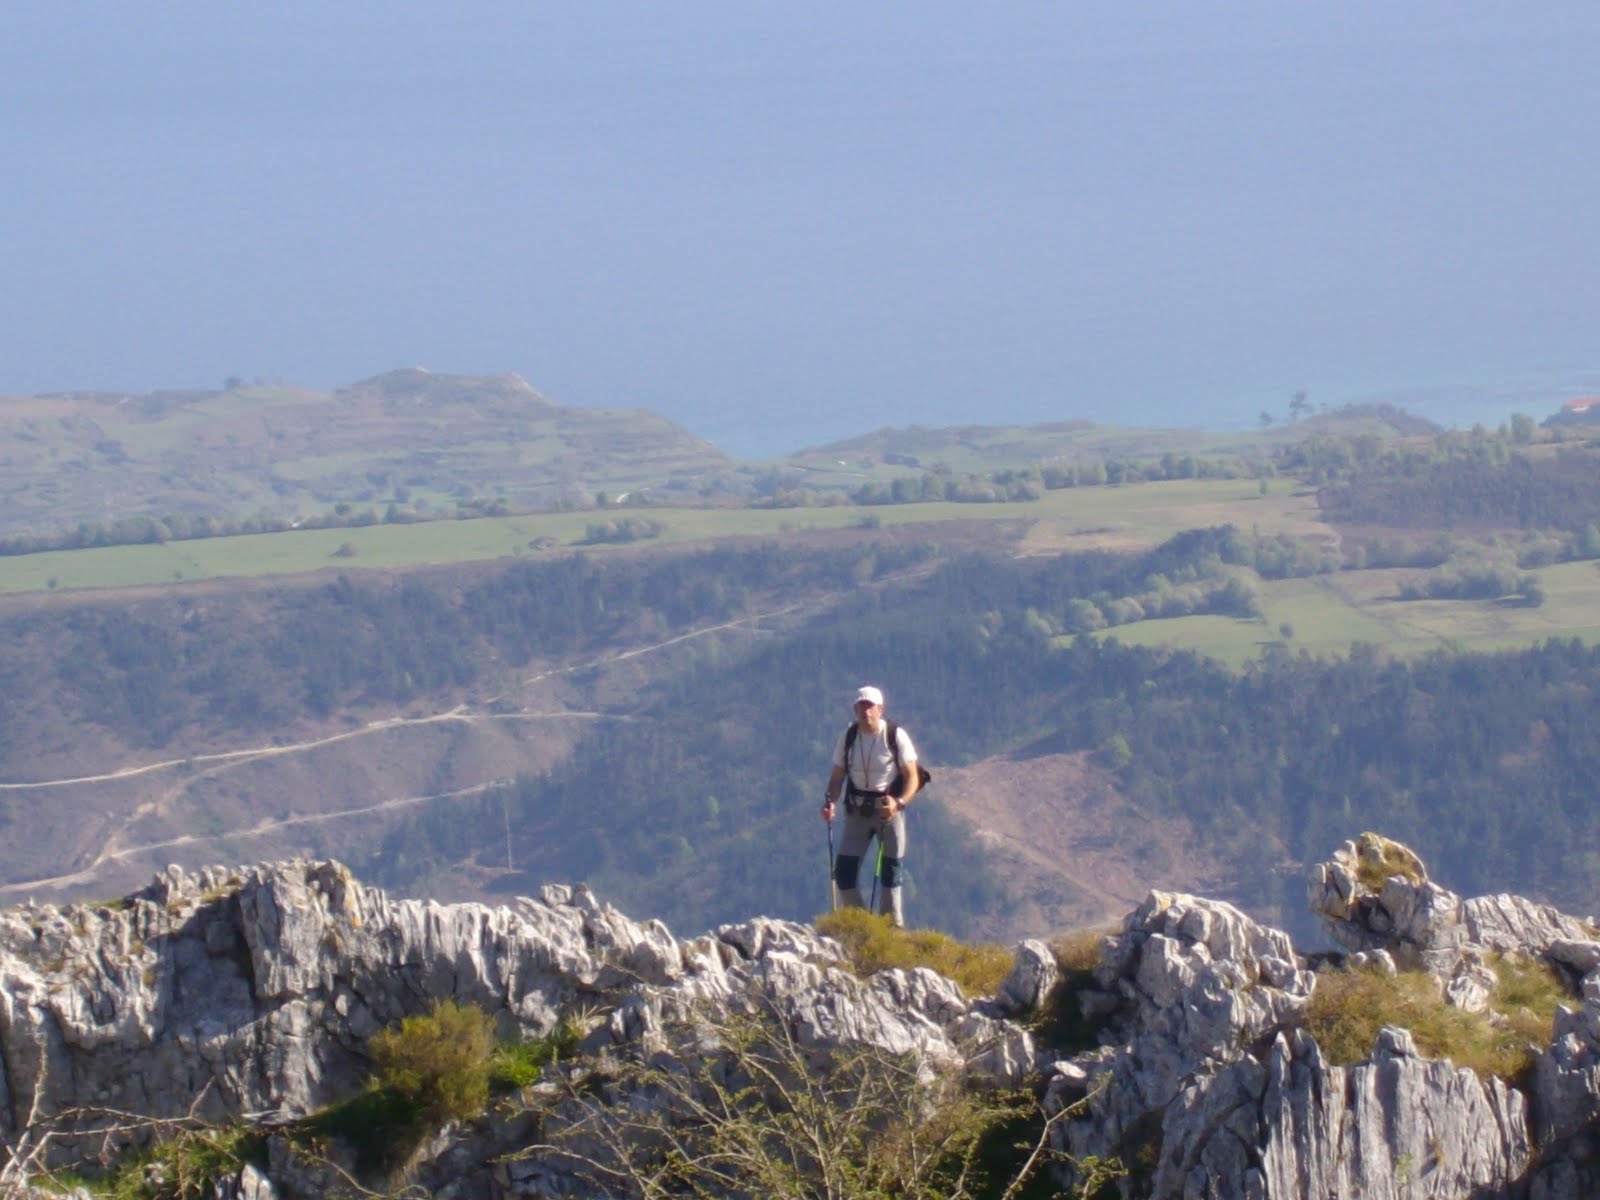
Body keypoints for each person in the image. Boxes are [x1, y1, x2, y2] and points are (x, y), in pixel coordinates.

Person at [820, 685, 921, 927]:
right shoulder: (849, 738)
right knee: (844, 873)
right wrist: (830, 802)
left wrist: (898, 804)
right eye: (860, 706)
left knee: (891, 873)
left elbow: (913, 777)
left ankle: (891, 930)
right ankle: (861, 926)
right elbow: (837, 777)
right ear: (855, 709)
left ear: (880, 709)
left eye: (869, 706)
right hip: (857, 811)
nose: (865, 711)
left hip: (889, 811)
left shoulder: (895, 736)